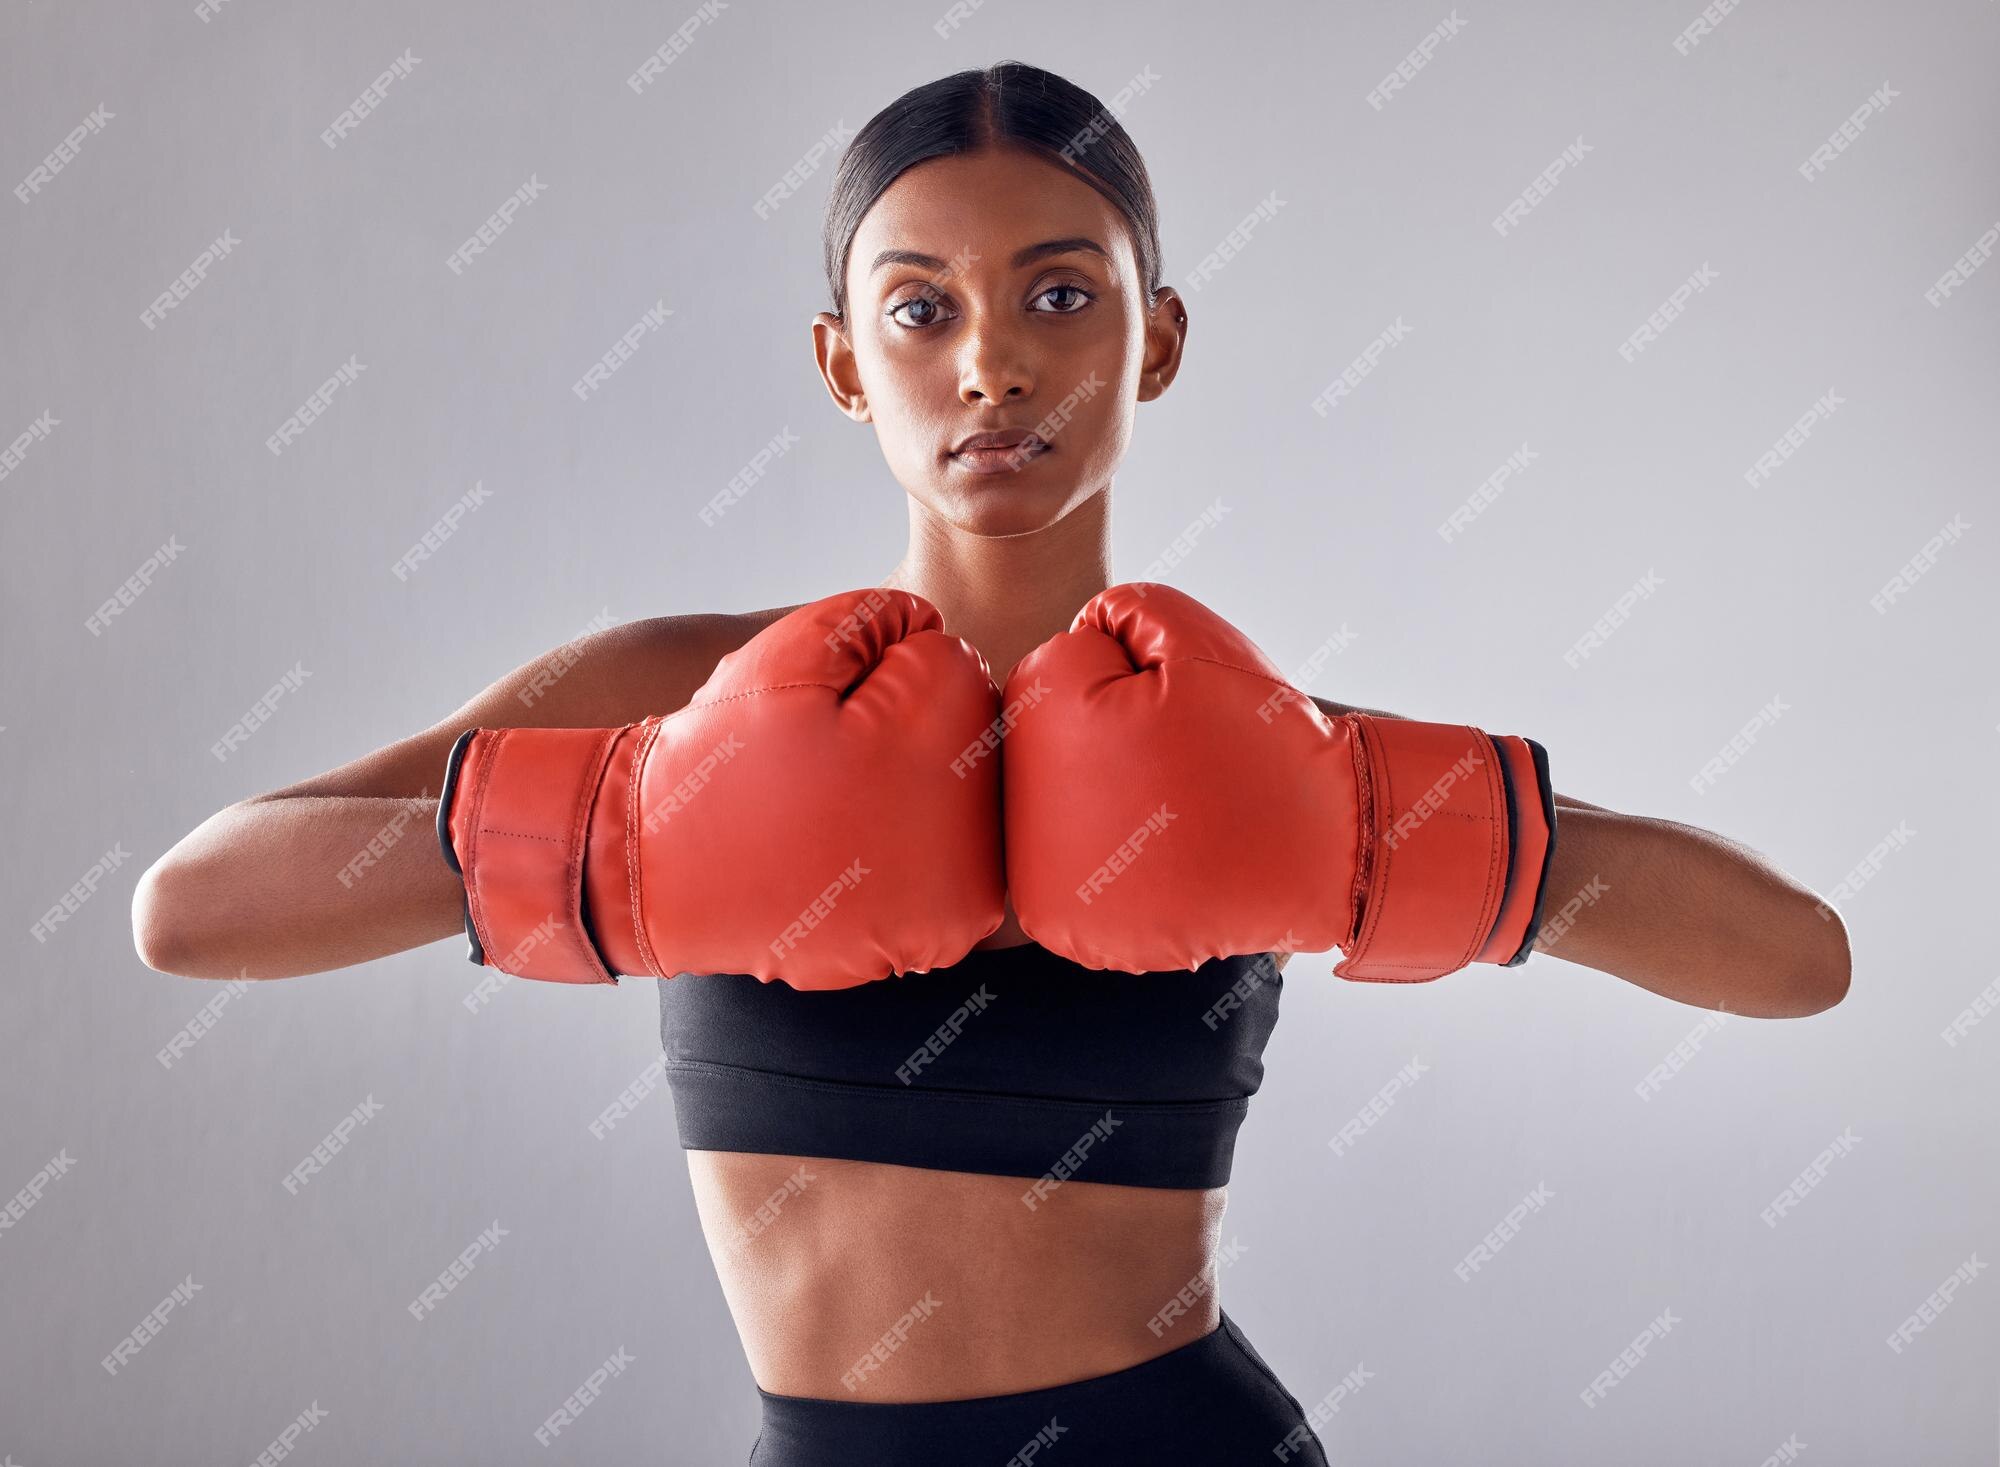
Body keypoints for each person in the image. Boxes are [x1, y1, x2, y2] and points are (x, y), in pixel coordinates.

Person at [133, 61, 1851, 1466]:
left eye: (1058, 293)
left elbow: (1799, 963)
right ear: (839, 362)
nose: (992, 363)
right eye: (918, 308)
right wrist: (619, 833)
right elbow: (187, 913)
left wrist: (1360, 827)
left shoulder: (1252, 745)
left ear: (1155, 341)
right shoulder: (679, 692)